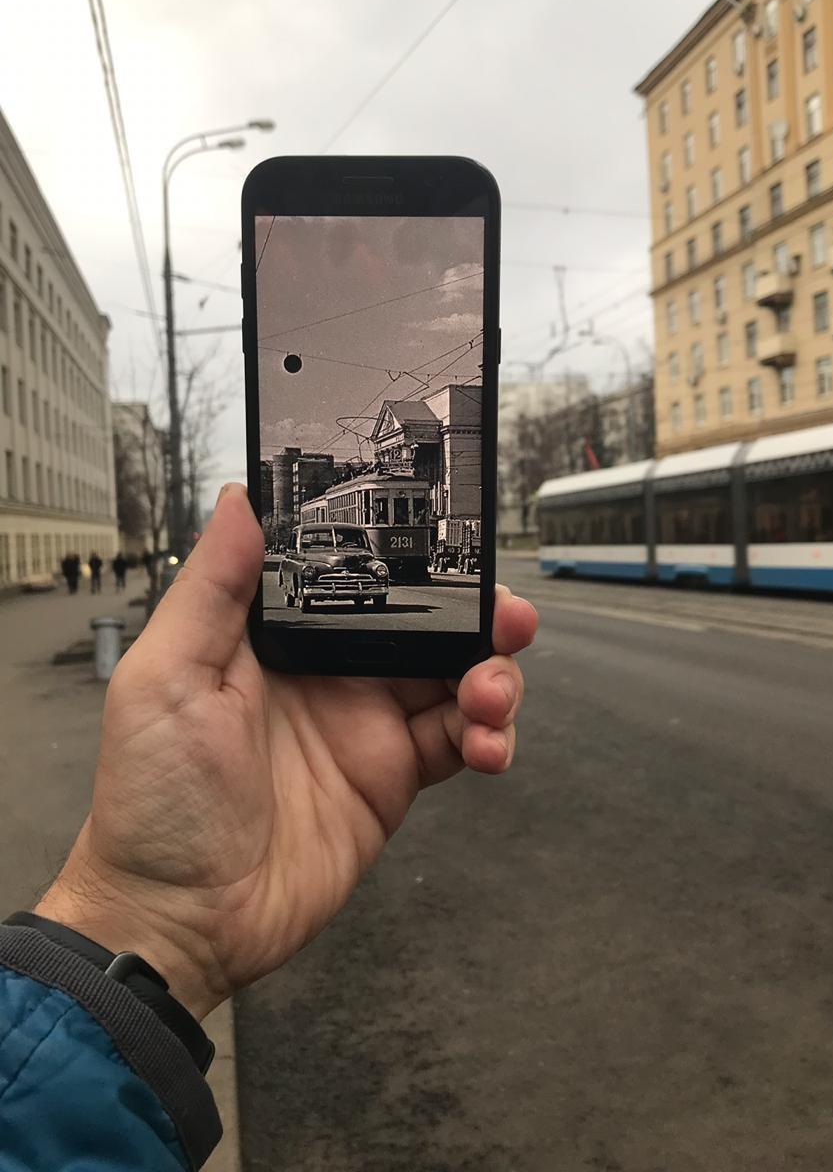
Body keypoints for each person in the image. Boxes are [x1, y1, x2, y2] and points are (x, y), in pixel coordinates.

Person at [0, 484, 536, 1170]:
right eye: (328, 554)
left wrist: (142, 916)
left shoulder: (360, 560)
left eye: (356, 559)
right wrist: (149, 910)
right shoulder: (306, 554)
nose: (343, 561)